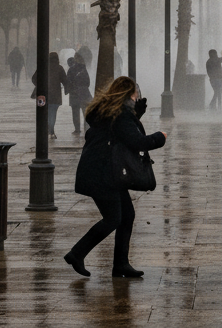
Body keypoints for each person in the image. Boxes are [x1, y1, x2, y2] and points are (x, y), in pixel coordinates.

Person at [64, 76, 167, 278]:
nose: (138, 95)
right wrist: (159, 137)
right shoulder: (120, 115)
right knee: (113, 218)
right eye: (136, 92)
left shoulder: (110, 111)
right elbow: (137, 141)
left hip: (103, 170)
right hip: (103, 173)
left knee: (126, 215)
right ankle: (77, 253)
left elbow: (119, 132)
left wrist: (135, 114)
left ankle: (121, 264)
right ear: (129, 94)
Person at [32, 51, 69, 138]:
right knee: (53, 113)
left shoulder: (43, 67)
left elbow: (34, 78)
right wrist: (67, 90)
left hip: (42, 95)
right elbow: (65, 81)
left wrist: (40, 85)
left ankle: (45, 130)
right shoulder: (59, 68)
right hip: (55, 96)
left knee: (43, 112)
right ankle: (51, 131)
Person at [67, 53, 92, 136]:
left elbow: (68, 82)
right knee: (85, 111)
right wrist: (83, 87)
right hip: (84, 93)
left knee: (75, 112)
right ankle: (87, 128)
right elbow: (88, 82)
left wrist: (72, 89)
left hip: (74, 94)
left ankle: (77, 129)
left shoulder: (71, 70)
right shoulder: (83, 68)